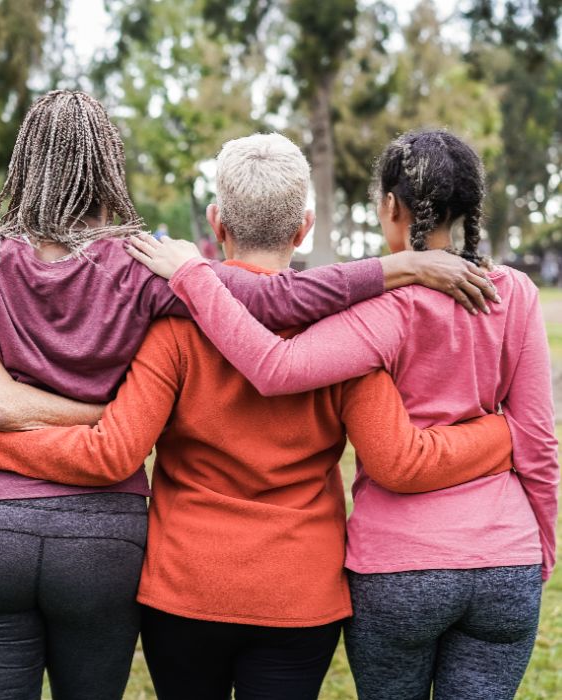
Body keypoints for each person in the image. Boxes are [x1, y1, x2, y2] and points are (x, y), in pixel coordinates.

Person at [0, 94, 497, 700]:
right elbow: (276, 302)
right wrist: (398, 267)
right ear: (108, 164)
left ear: (25, 163)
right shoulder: (143, 264)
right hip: (102, 535)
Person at [0, 133, 515, 699]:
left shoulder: (173, 332)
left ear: (216, 225)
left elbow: (112, 451)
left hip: (186, 591)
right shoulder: (343, 334)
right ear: (305, 227)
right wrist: (502, 431)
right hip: (300, 594)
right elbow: (395, 453)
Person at [125, 129, 558, 700]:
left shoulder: (378, 309)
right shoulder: (517, 294)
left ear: (389, 207)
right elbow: (540, 443)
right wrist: (540, 545)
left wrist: (190, 275)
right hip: (491, 560)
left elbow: (277, 367)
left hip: (375, 568)